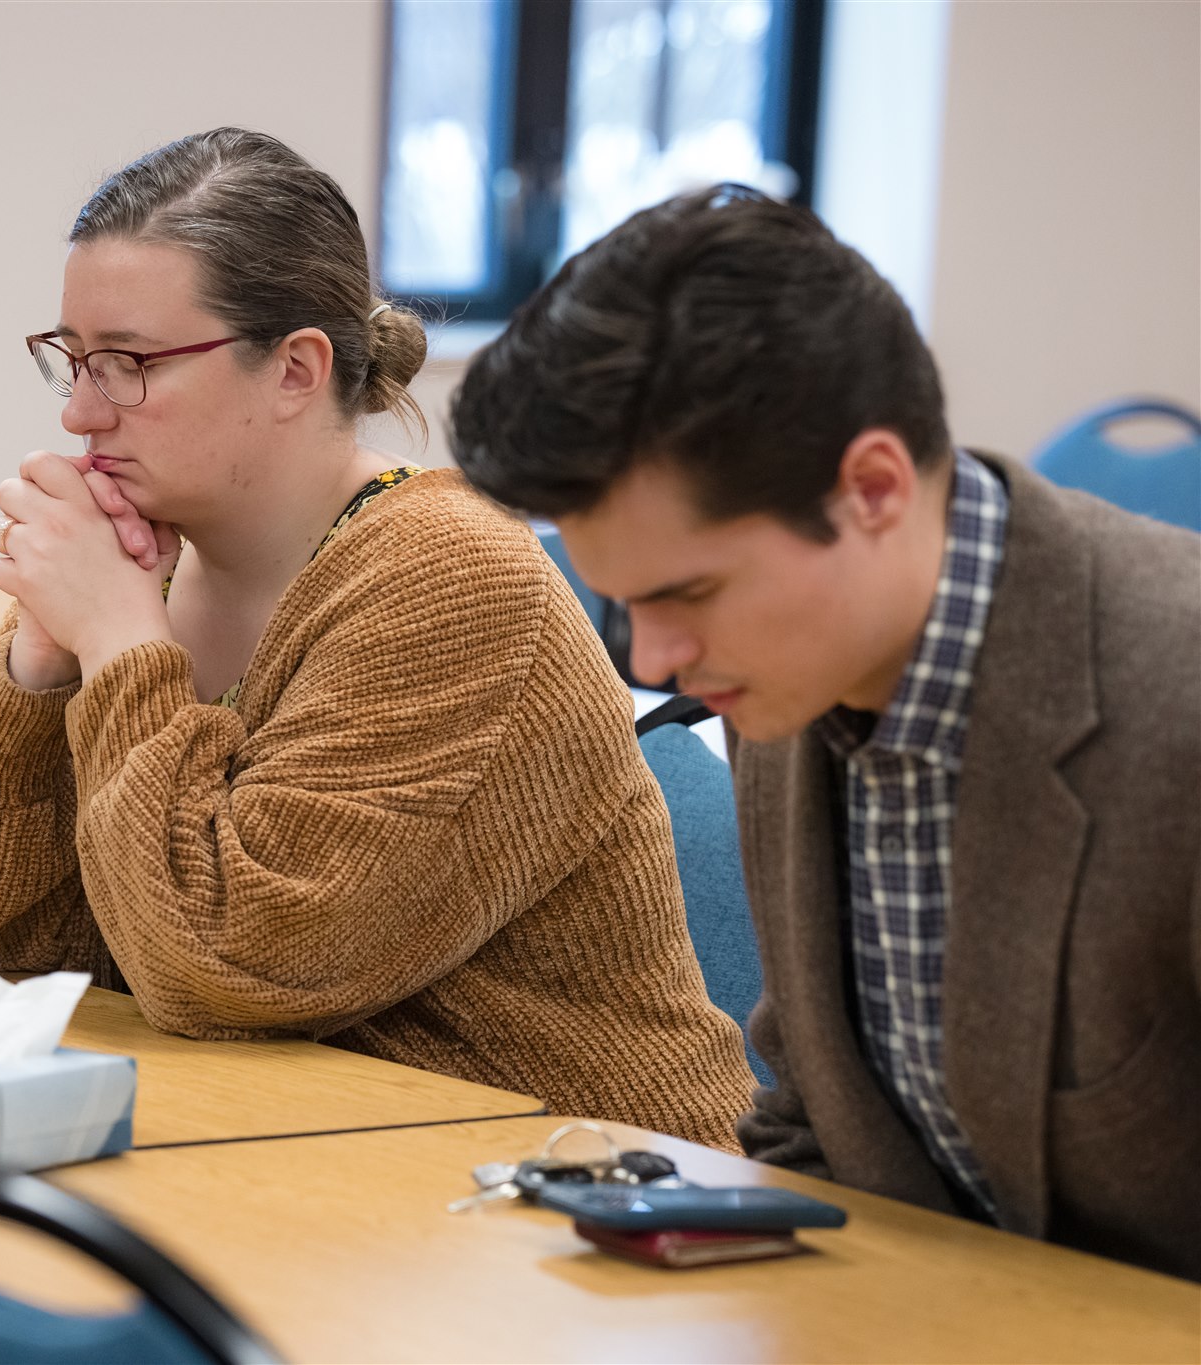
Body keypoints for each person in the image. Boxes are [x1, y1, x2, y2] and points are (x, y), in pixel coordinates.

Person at [0, 127, 756, 1151]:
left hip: (575, 1201)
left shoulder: (449, 581)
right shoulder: (142, 562)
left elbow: (228, 967)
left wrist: (125, 652)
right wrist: (37, 664)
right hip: (294, 1158)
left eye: (130, 364)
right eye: (72, 360)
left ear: (294, 369)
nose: (84, 413)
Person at [450, 184, 1201, 1280]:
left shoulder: (1171, 698)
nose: (652, 662)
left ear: (872, 489)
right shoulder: (795, 678)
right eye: (626, 608)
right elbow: (816, 1120)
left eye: (687, 593)